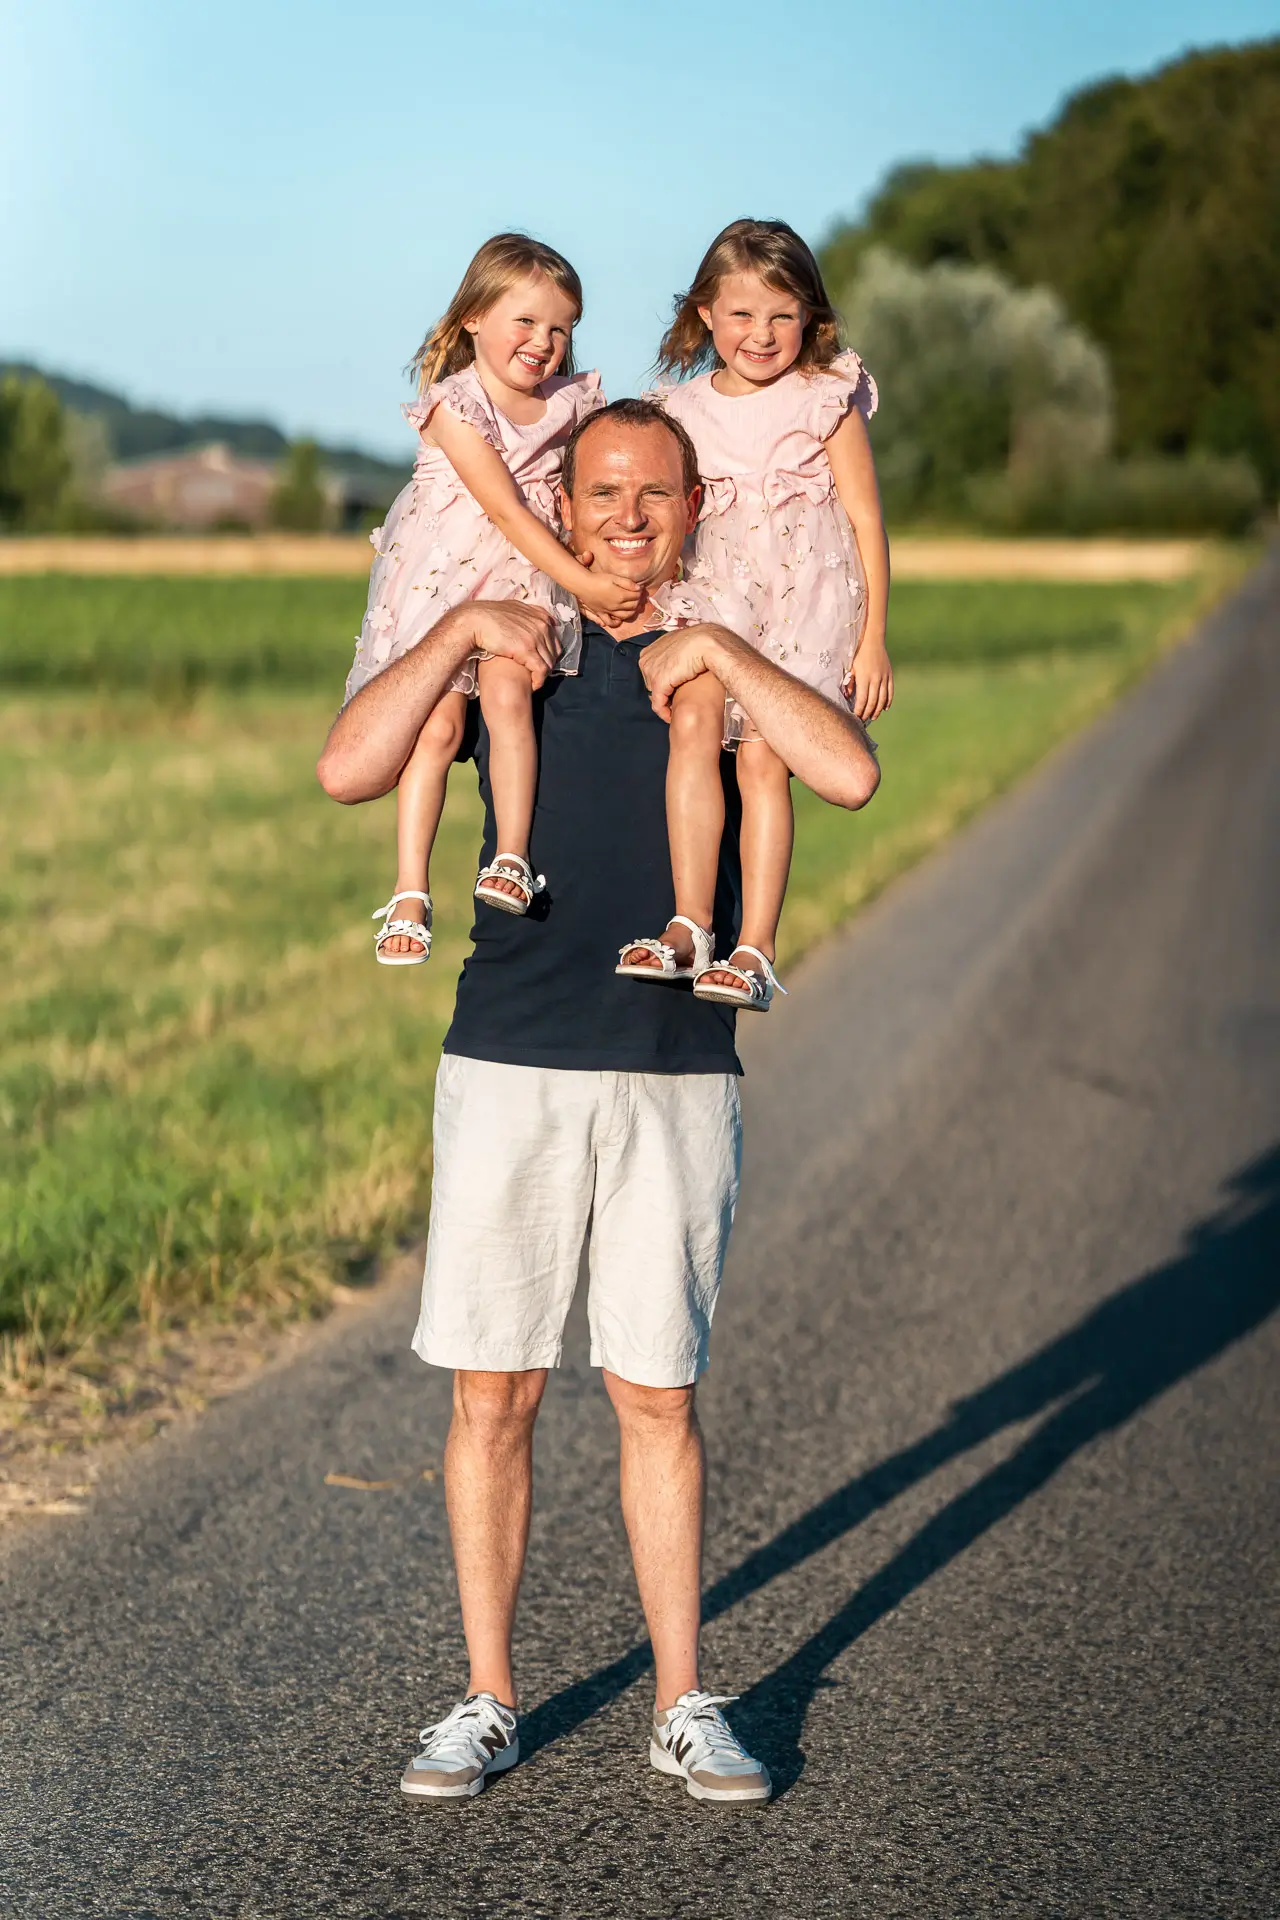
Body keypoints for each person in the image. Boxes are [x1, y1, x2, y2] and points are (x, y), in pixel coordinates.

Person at [317, 398, 880, 1806]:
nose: (630, 515)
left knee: (656, 1396)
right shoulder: (526, 642)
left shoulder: (719, 658)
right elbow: (347, 769)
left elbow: (850, 774)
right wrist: (455, 632)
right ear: (562, 504)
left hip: (677, 1071)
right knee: (493, 1393)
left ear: (699, 507)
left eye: (658, 493)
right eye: (604, 491)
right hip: (508, 1059)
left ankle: (684, 1699)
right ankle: (489, 1698)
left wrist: (731, 649)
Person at [617, 218, 892, 1013]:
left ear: (810, 314)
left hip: (808, 601)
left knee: (766, 757)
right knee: (693, 728)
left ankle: (756, 946)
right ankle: (689, 925)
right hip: (718, 597)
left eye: (781, 314)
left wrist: (874, 639)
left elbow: (867, 520)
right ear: (705, 313)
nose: (761, 334)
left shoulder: (825, 395)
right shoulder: (681, 408)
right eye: (741, 315)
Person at [343, 233, 639, 967]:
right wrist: (587, 584)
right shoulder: (454, 405)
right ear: (474, 317)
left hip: (519, 586)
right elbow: (506, 511)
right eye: (527, 322)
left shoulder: (571, 405)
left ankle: (510, 855)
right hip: (448, 587)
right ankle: (410, 887)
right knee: (437, 727)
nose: (545, 342)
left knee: (509, 696)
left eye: (561, 327)